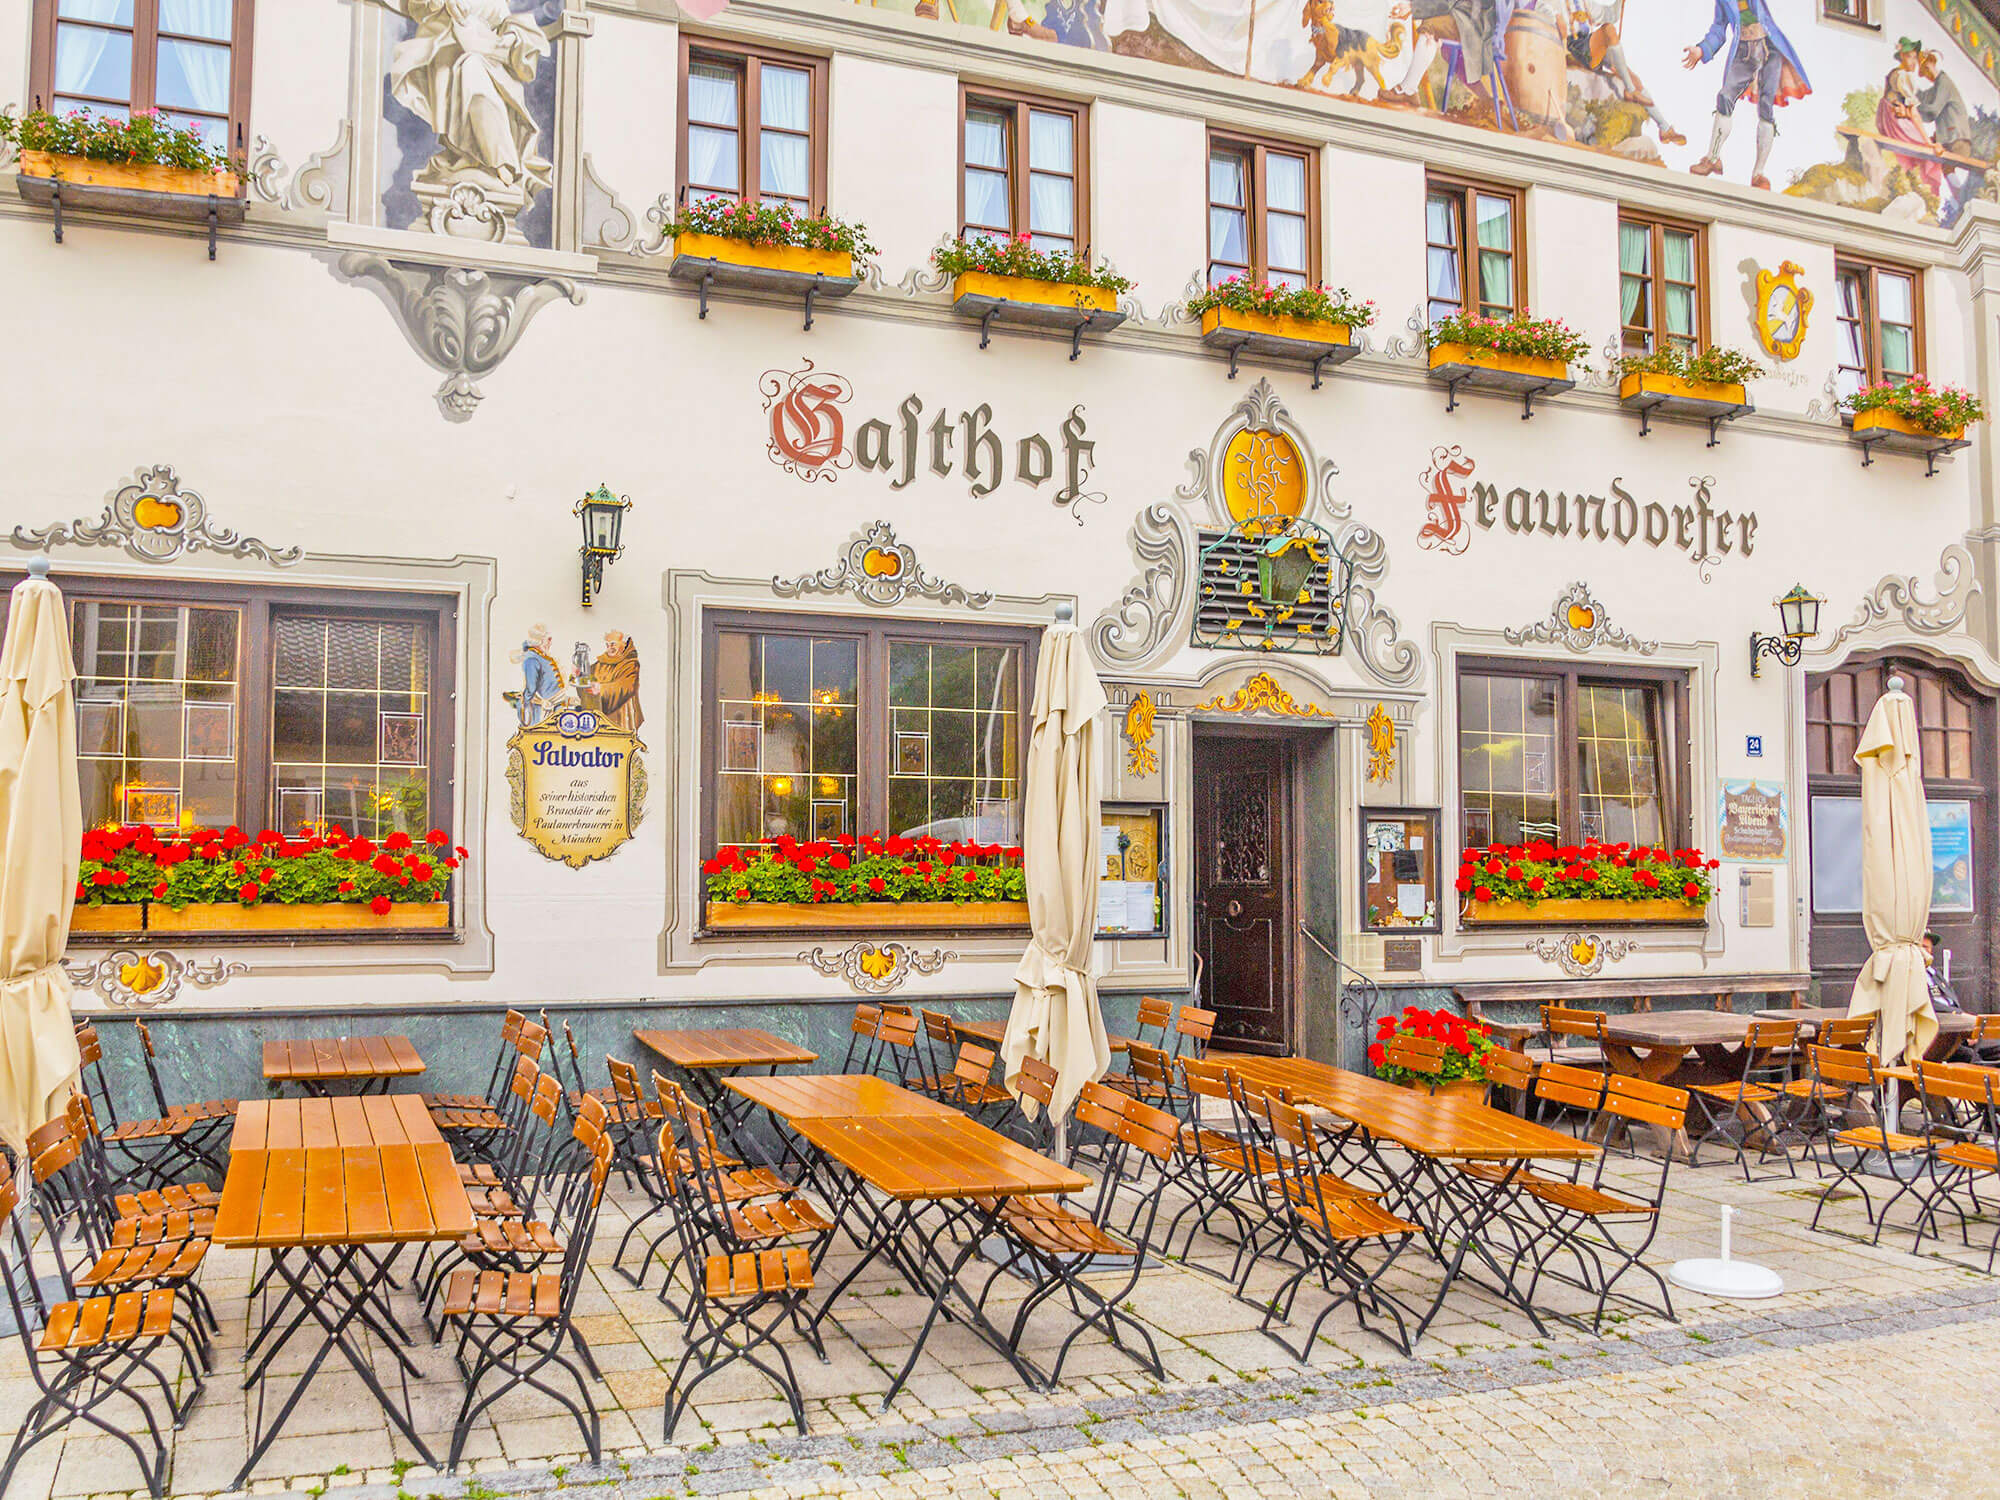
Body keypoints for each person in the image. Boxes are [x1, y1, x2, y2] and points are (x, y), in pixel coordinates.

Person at [1681, 0, 1811, 191]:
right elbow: (1719, 29)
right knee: (1725, 96)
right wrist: (1702, 49)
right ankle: (1713, 158)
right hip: (1744, 50)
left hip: (1769, 47)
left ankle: (1758, 173)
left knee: (1766, 106)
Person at [1922, 930, 2000, 1064]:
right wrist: (1966, 1024)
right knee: (1970, 1057)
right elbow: (1930, 1006)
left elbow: (1951, 1003)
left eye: (1926, 947)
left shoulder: (1935, 974)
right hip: (1935, 1039)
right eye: (1920, 947)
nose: (1923, 951)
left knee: (1996, 1048)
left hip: (1957, 1034)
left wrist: (1967, 1031)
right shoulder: (1909, 976)